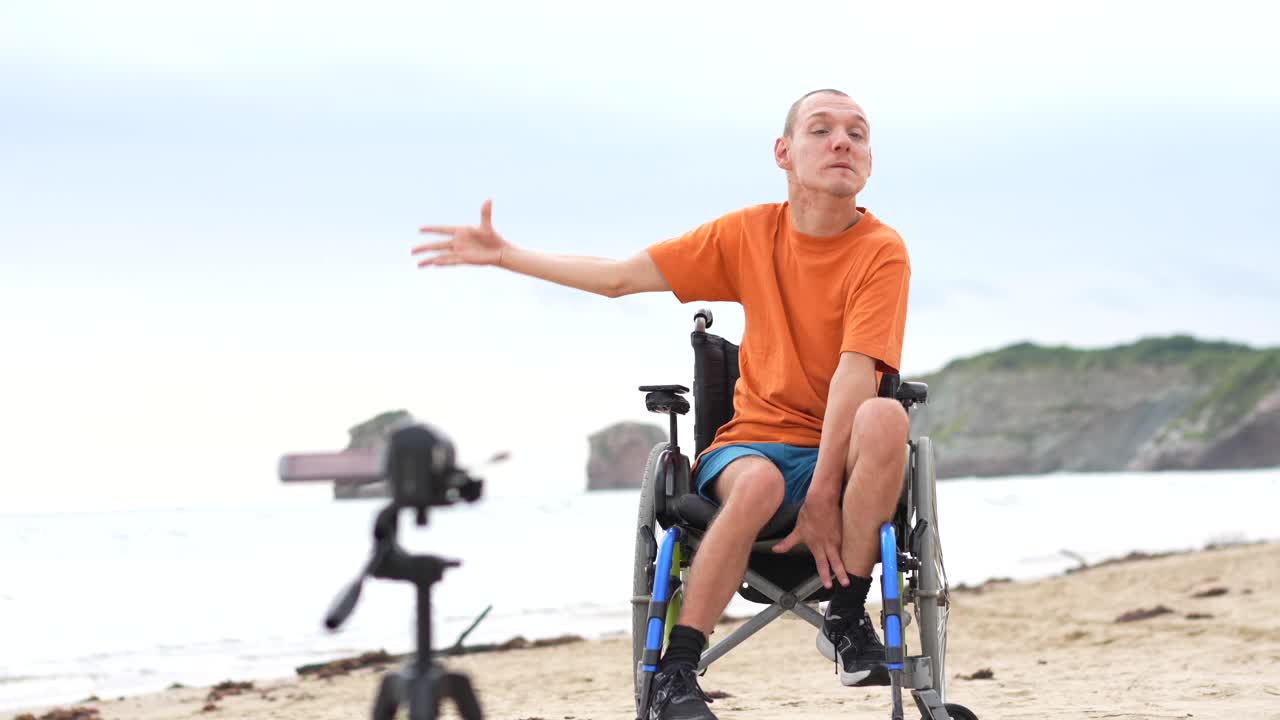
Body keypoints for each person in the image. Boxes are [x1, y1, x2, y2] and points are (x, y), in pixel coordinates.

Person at [413, 88, 912, 720]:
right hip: (753, 445)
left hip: (839, 455)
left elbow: (854, 373)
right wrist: (508, 256)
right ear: (784, 153)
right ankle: (677, 671)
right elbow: (620, 277)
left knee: (886, 413)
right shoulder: (747, 234)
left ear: (868, 160)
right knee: (755, 485)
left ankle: (845, 619)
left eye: (857, 133)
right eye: (821, 129)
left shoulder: (881, 249)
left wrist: (824, 490)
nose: (842, 141)